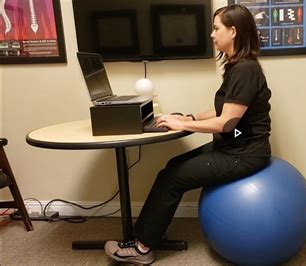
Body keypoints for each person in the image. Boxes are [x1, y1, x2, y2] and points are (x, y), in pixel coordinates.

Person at [104, 4, 272, 264]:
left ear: (234, 31)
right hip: (233, 147)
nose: (212, 35)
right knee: (172, 166)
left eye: (216, 28)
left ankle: (141, 248)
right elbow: (222, 110)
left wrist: (182, 126)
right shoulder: (237, 67)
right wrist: (189, 117)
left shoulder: (245, 70)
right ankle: (147, 236)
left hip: (244, 154)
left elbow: (226, 123)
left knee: (172, 178)